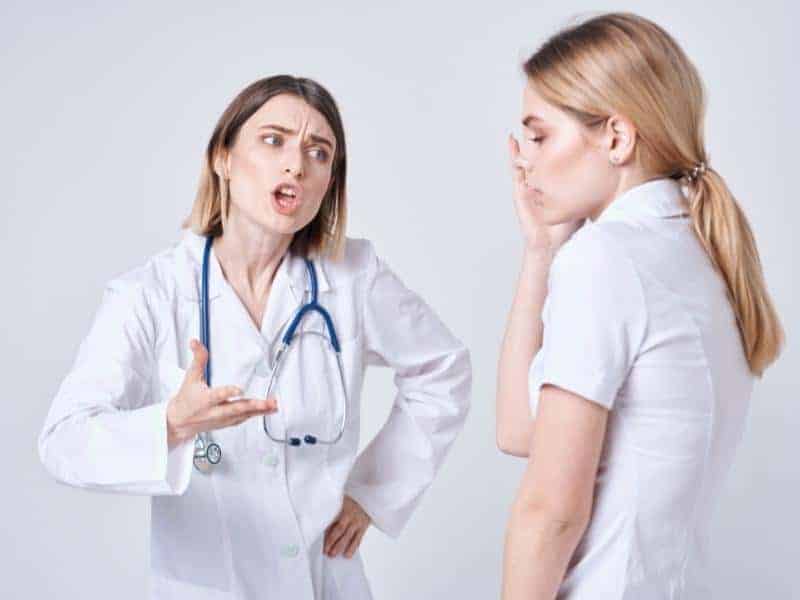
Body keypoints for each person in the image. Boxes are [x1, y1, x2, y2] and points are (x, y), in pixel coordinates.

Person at [38, 75, 471, 599]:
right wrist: (170, 426)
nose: (297, 164)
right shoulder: (150, 294)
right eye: (274, 140)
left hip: (325, 582)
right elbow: (63, 443)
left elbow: (443, 370)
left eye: (319, 152)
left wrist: (374, 494)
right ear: (223, 157)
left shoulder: (353, 276)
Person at [495, 13, 784, 599]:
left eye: (540, 134)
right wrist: (542, 251)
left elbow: (550, 510)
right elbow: (520, 431)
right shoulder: (691, 250)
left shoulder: (607, 261)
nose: (523, 158)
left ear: (617, 138)